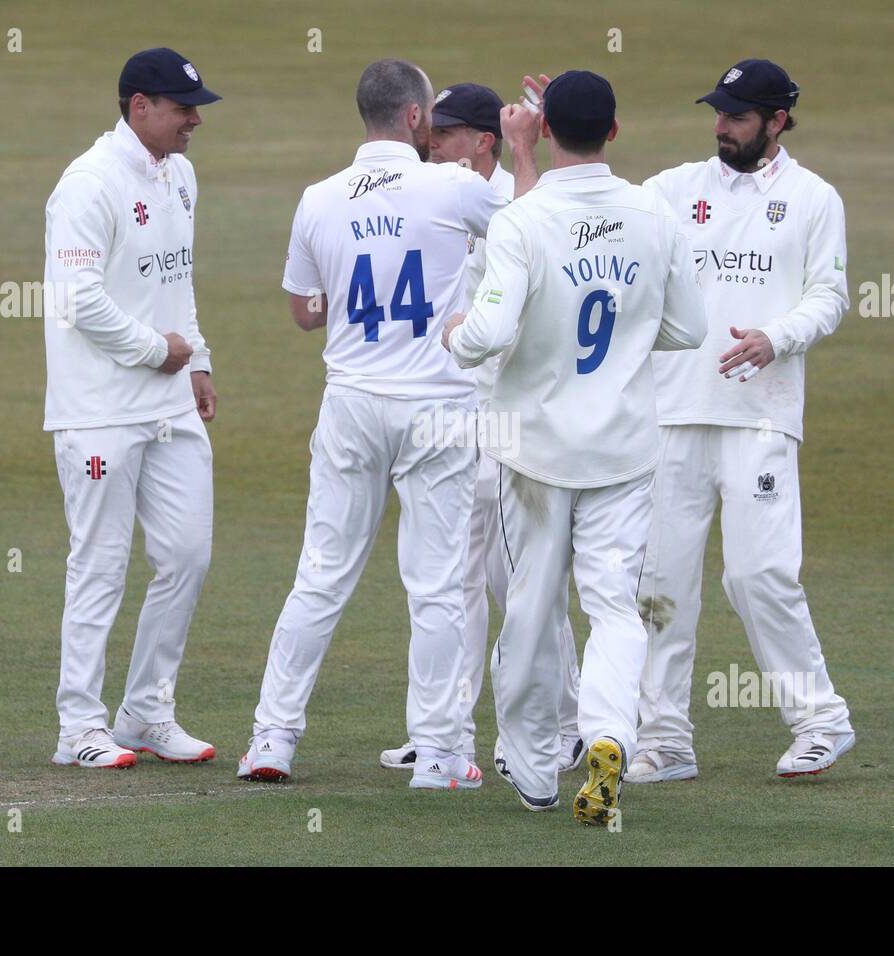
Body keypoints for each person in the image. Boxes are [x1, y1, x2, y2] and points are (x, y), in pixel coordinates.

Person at [240, 59, 538, 791]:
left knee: (320, 575)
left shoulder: (317, 198)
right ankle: (439, 756)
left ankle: (271, 741)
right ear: (415, 119)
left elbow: (304, 311)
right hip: (436, 405)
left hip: (350, 403)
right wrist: (527, 147)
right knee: (435, 585)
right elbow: (536, 229)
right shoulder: (451, 184)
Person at [444, 70, 707, 823]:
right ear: (615, 133)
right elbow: (689, 329)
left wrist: (455, 333)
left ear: (546, 133)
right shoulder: (653, 212)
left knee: (531, 605)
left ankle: (532, 773)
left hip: (535, 450)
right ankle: (610, 734)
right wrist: (627, 335)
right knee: (615, 607)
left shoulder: (523, 220)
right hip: (623, 450)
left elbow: (489, 332)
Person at [629, 59, 855, 784]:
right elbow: (595, 221)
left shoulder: (814, 199)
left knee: (758, 574)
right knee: (660, 582)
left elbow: (831, 295)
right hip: (672, 412)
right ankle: (664, 740)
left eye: (738, 116)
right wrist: (532, 151)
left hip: (760, 414)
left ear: (778, 121)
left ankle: (821, 721)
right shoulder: (672, 190)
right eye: (719, 114)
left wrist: (774, 337)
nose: (722, 127)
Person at [378, 82, 583, 774]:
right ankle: (443, 729)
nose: (427, 144)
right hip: (446, 422)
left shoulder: (516, 201)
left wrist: (540, 143)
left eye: (442, 134)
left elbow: (541, 245)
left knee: (524, 579)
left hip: (508, 424)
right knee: (450, 578)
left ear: (483, 143)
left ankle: (566, 724)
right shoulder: (434, 196)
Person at [43, 48, 220, 768]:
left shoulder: (179, 177)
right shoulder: (88, 183)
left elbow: (177, 281)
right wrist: (158, 351)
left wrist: (198, 358)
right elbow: (75, 298)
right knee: (100, 564)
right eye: (184, 109)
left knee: (187, 555)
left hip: (170, 402)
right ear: (138, 106)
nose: (194, 121)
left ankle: (145, 710)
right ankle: (78, 728)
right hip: (99, 411)